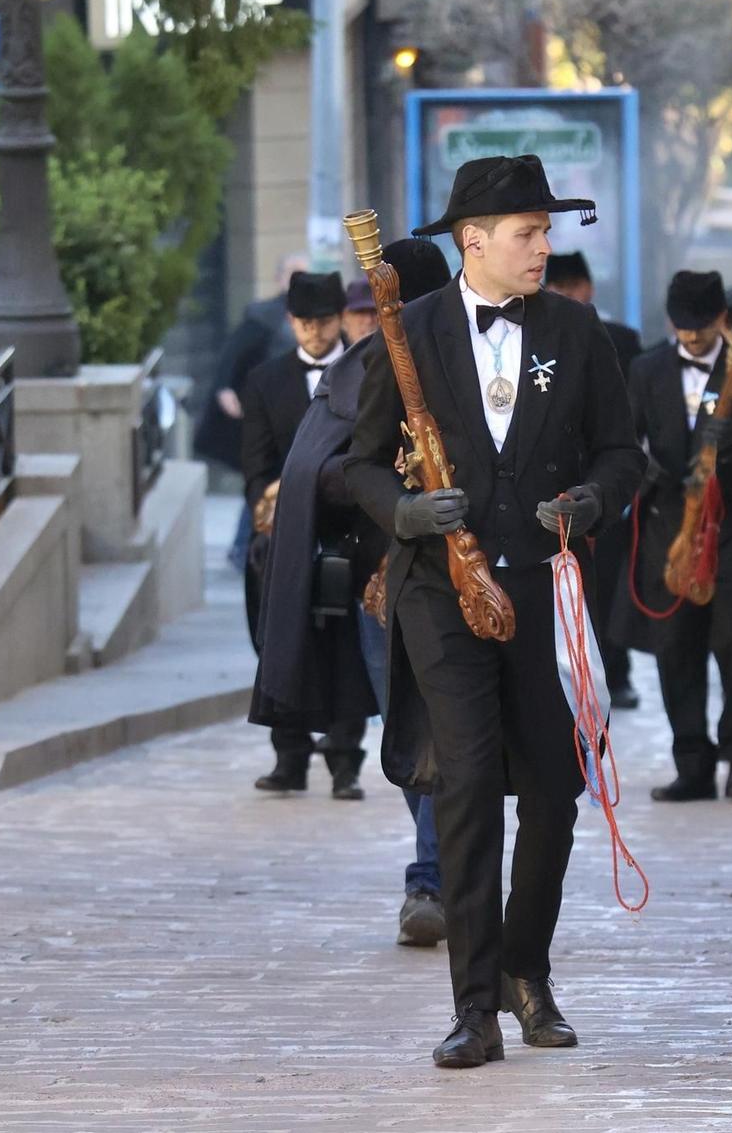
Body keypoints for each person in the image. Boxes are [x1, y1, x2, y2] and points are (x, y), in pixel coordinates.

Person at [346, 154, 644, 1069]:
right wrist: (401, 512)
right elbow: (351, 464)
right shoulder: (411, 331)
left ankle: (527, 971)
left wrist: (591, 502)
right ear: (473, 241)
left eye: (548, 231)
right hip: (442, 593)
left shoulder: (578, 329)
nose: (543, 246)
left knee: (553, 793)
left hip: (545, 590)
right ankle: (472, 1006)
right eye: (528, 232)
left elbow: (623, 455)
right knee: (471, 784)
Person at [250, 239, 455, 947]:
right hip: (381, 587)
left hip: (468, 578)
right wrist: (384, 481)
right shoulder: (356, 372)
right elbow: (324, 473)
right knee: (407, 731)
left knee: (454, 731)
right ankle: (443, 870)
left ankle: (435, 875)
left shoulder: (474, 364)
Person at [615, 271, 732, 800]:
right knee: (675, 650)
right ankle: (692, 763)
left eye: (700, 326)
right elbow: (625, 442)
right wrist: (652, 476)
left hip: (729, 526)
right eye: (681, 327)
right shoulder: (645, 370)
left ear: (720, 320)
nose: (690, 337)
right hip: (667, 528)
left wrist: (724, 451)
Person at [240, 270, 365, 795]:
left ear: (340, 319)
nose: (314, 332)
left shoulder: (364, 372)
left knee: (346, 649)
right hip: (283, 532)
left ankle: (344, 764)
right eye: (304, 322)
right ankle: (288, 758)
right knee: (278, 641)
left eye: (324, 321)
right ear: (290, 322)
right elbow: (255, 465)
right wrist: (278, 499)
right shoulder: (265, 380)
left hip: (346, 530)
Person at [543, 250, 644, 710]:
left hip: (605, 480)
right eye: (556, 288)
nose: (565, 296)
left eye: (571, 288)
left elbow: (629, 415)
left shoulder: (620, 338)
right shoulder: (541, 334)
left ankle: (616, 673)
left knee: (611, 579)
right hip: (560, 480)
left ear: (588, 288)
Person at [194, 254, 310, 568]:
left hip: (302, 413)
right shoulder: (263, 315)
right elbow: (232, 356)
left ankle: (257, 544)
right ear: (279, 278)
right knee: (266, 478)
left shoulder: (316, 314)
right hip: (267, 414)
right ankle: (243, 544)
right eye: (292, 273)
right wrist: (225, 389)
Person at [341, 279, 380, 348]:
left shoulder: (397, 355)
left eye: (374, 312)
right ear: (345, 317)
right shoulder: (334, 357)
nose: (369, 320)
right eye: (361, 312)